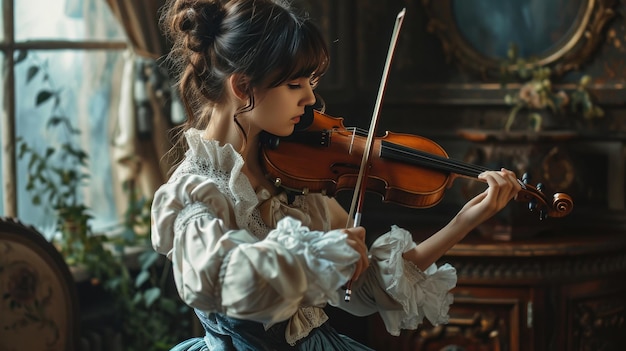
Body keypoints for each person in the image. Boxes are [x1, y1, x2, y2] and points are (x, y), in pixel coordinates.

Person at [151, 0, 522, 350]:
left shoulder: (292, 176)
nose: (310, 99)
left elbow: (365, 288)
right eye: (295, 84)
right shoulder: (195, 192)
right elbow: (221, 277)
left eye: (311, 83)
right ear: (243, 87)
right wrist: (317, 255)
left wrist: (464, 220)